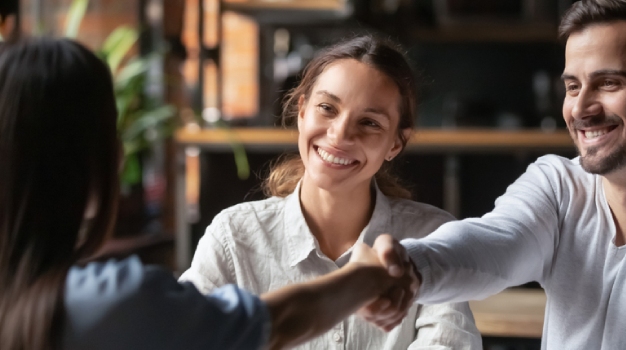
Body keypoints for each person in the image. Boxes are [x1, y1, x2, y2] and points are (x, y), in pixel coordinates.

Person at [361, 0, 626, 349]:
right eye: (573, 86)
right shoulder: (559, 183)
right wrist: (410, 268)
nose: (580, 109)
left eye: (609, 83)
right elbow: (492, 244)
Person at [0, 37, 409, 350]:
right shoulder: (112, 299)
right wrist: (365, 278)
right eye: (112, 131)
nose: (341, 133)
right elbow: (272, 323)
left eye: (370, 122)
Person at [179, 35, 482, 349]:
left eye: (369, 122)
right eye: (327, 108)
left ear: (395, 142)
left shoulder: (432, 237)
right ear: (302, 112)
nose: (340, 135)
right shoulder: (234, 237)